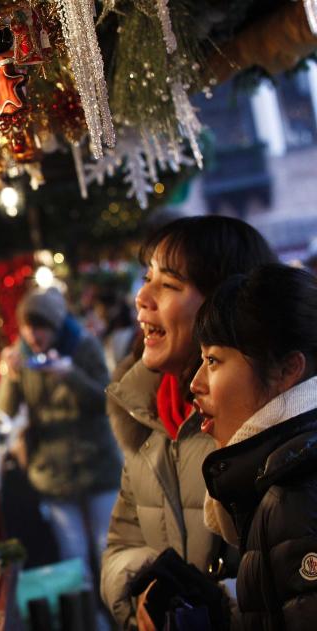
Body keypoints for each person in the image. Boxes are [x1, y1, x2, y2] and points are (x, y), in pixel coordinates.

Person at [101, 216, 276, 630]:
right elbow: (118, 548)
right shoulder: (148, 421)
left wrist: (217, 606)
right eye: (147, 278)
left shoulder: (267, 430)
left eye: (169, 284)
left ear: (227, 304)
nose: (142, 296)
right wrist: (150, 588)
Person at [191, 264, 317, 630]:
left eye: (213, 360)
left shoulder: (296, 494)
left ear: (286, 370)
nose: (196, 383)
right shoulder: (279, 481)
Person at [0, 286, 123, 607]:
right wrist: (10, 377)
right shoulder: (21, 354)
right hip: (53, 472)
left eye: (39, 327)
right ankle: (89, 621)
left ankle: (122, 616)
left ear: (55, 325)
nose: (32, 335)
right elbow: (5, 412)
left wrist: (70, 375)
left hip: (96, 465)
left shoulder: (84, 346)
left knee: (108, 550)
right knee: (72, 555)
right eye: (26, 327)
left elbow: (108, 401)